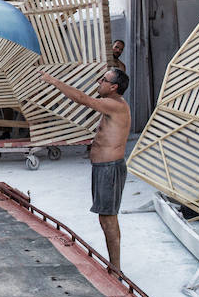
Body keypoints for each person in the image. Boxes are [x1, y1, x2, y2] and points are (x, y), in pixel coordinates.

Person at [41, 68, 131, 271]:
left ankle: (116, 269)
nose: (99, 82)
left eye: (104, 80)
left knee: (109, 219)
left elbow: (82, 99)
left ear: (113, 87)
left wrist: (53, 80)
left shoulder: (115, 105)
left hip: (110, 169)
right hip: (103, 169)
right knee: (105, 217)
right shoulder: (112, 106)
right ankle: (114, 266)